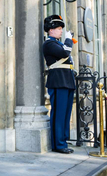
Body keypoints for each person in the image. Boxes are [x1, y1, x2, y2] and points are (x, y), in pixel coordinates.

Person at [42, 15, 76, 154]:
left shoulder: (58, 43)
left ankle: (63, 140)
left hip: (66, 80)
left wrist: (67, 41)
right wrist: (68, 39)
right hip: (58, 81)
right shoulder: (49, 44)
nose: (61, 31)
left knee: (66, 113)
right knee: (59, 113)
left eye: (61, 29)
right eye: (59, 28)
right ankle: (58, 144)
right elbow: (64, 53)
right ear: (51, 30)